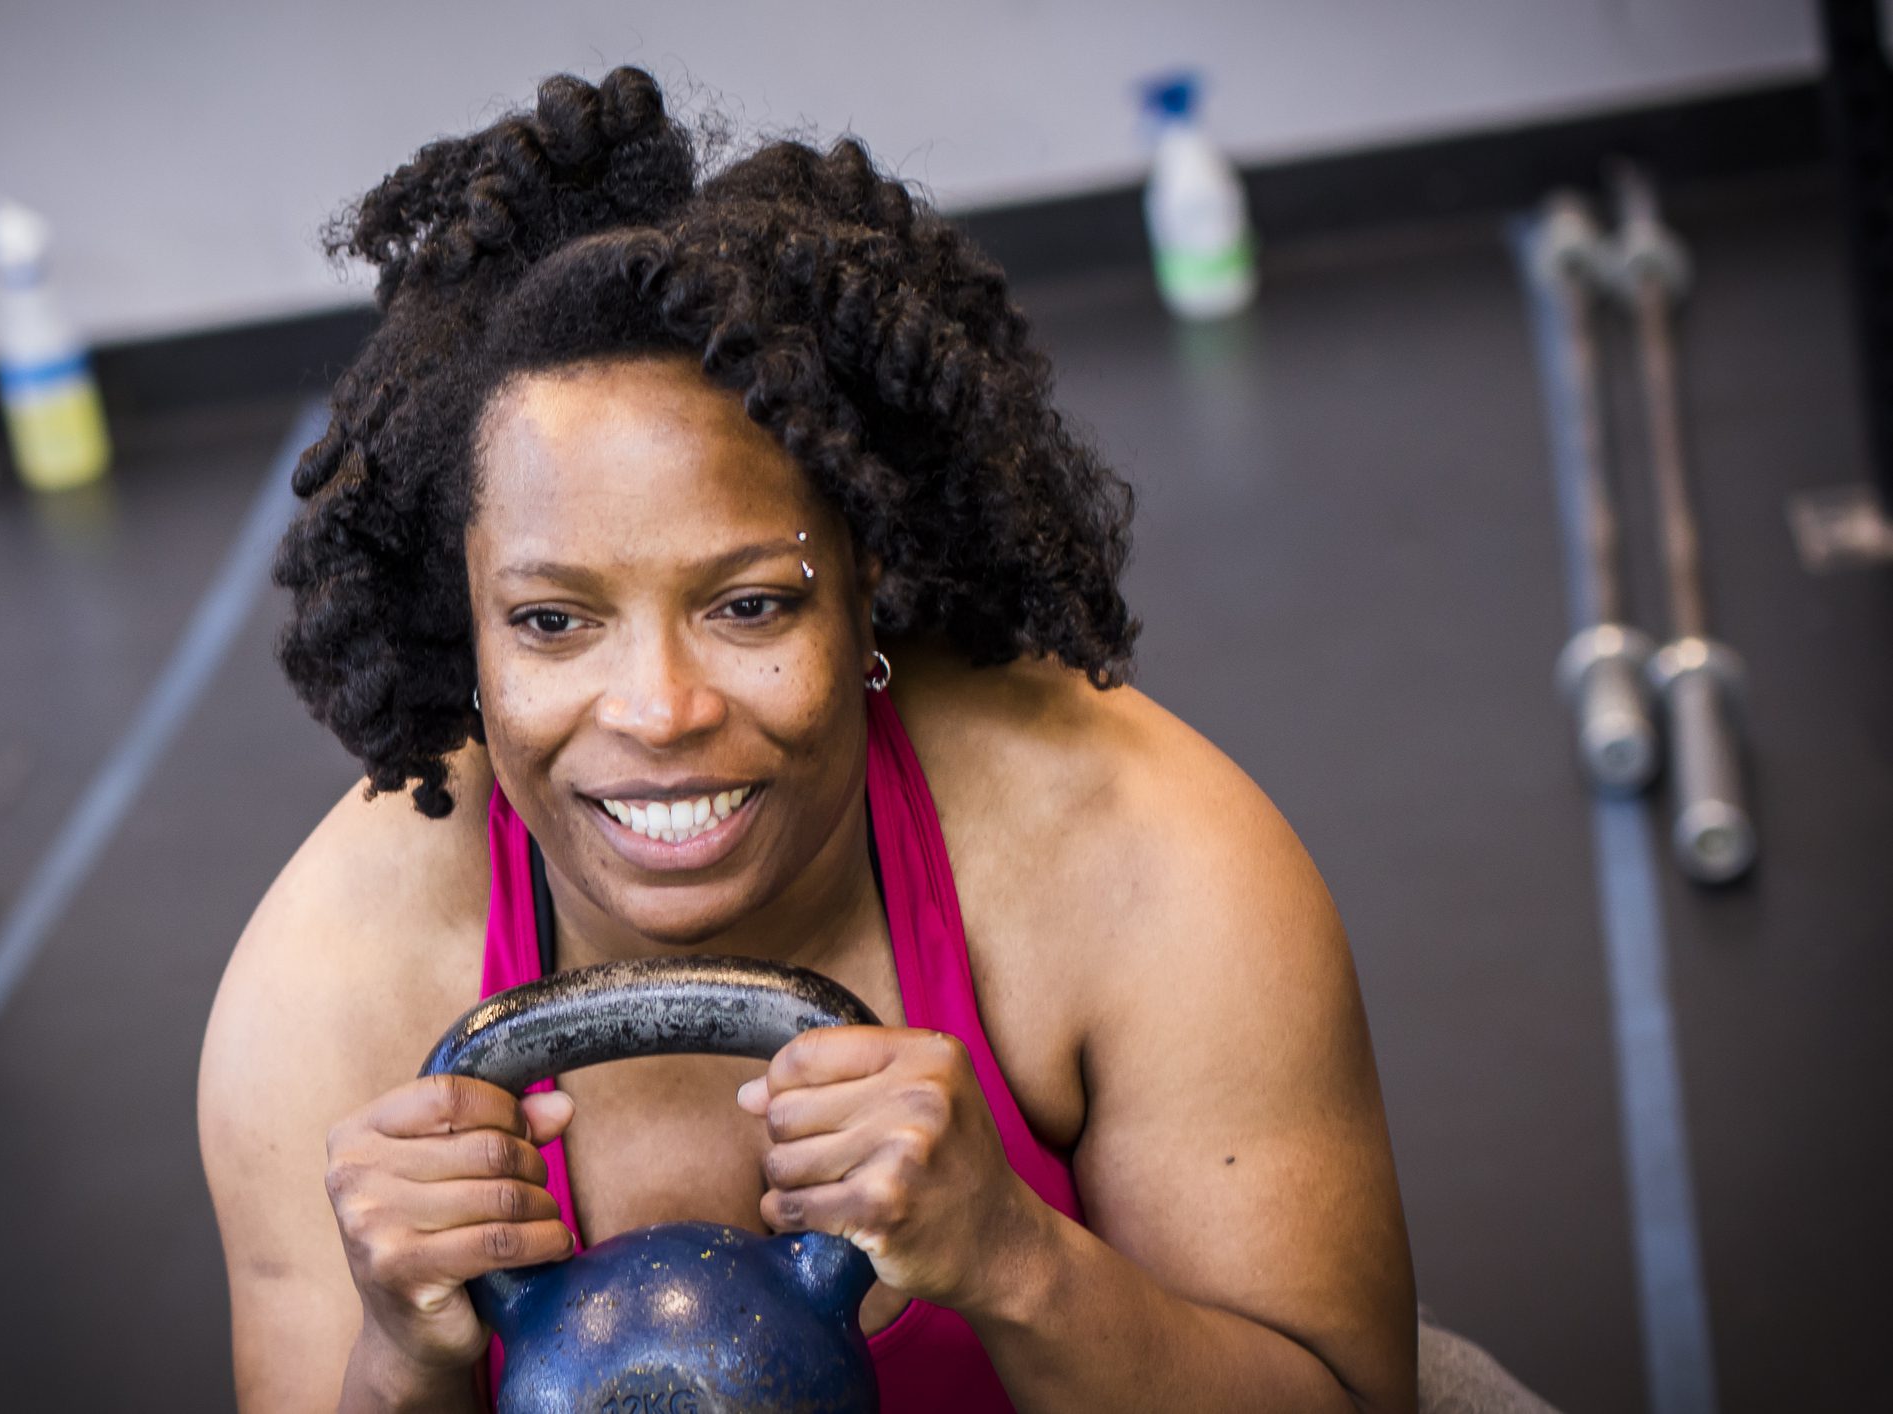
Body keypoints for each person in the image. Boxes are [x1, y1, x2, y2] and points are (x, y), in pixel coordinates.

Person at [198, 65, 1416, 1413]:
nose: (657, 710)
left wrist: (1017, 1260)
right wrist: (400, 1360)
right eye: (551, 621)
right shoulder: (325, 983)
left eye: (749, 604)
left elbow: (1348, 1396)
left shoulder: (1140, 851)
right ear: (465, 631)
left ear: (865, 585)